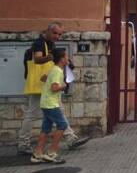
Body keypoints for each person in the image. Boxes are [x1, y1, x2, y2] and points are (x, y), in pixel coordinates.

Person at [18, 22, 88, 155]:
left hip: (47, 84)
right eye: (55, 33)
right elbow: (37, 59)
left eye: (60, 34)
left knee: (57, 110)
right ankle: (23, 144)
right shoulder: (39, 43)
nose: (57, 36)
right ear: (48, 31)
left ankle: (70, 138)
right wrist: (51, 57)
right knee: (32, 114)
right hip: (39, 85)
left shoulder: (50, 44)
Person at [31, 48, 70, 164]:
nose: (68, 59)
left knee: (46, 128)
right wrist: (64, 86)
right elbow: (54, 88)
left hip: (46, 102)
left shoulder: (54, 69)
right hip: (50, 104)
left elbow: (44, 79)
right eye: (66, 57)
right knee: (62, 125)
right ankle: (52, 153)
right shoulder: (57, 71)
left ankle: (38, 154)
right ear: (62, 59)